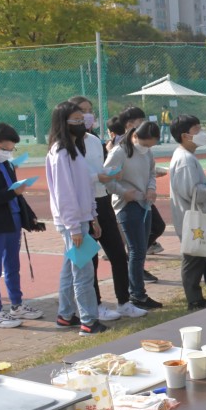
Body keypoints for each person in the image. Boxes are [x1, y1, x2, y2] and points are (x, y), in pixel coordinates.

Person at [0, 123, 45, 329]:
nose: (8, 153)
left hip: (13, 221)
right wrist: (12, 193)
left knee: (13, 266)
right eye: (4, 149)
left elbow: (16, 194)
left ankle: (17, 305)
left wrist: (28, 216)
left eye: (11, 150)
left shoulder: (8, 165)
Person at [68, 96, 132, 321]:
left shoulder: (94, 140)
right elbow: (73, 179)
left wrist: (110, 176)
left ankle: (125, 301)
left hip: (101, 201)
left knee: (117, 252)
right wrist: (98, 176)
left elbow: (101, 168)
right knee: (88, 259)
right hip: (82, 206)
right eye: (81, 112)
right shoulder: (66, 146)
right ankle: (94, 305)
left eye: (89, 110)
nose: (87, 116)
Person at [46, 101, 104, 336]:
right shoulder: (61, 152)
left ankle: (65, 314)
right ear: (64, 122)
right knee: (83, 271)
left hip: (80, 218)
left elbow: (84, 187)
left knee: (71, 268)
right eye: (77, 120)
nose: (82, 123)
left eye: (84, 119)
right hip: (72, 221)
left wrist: (93, 216)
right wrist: (74, 227)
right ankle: (89, 322)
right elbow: (64, 193)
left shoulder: (74, 149)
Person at [104, 121, 165, 314]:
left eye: (151, 145)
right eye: (145, 144)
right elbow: (106, 179)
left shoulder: (147, 153)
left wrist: (151, 189)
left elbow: (151, 173)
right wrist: (123, 193)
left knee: (139, 250)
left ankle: (138, 293)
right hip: (127, 206)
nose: (147, 148)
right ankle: (137, 295)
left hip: (144, 203)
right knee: (136, 250)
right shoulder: (119, 152)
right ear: (135, 136)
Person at [169, 113, 206, 309]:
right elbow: (192, 191)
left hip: (194, 221)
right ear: (186, 135)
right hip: (201, 222)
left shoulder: (185, 156)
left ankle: (195, 299)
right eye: (198, 130)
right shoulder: (185, 160)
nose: (202, 133)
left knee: (194, 259)